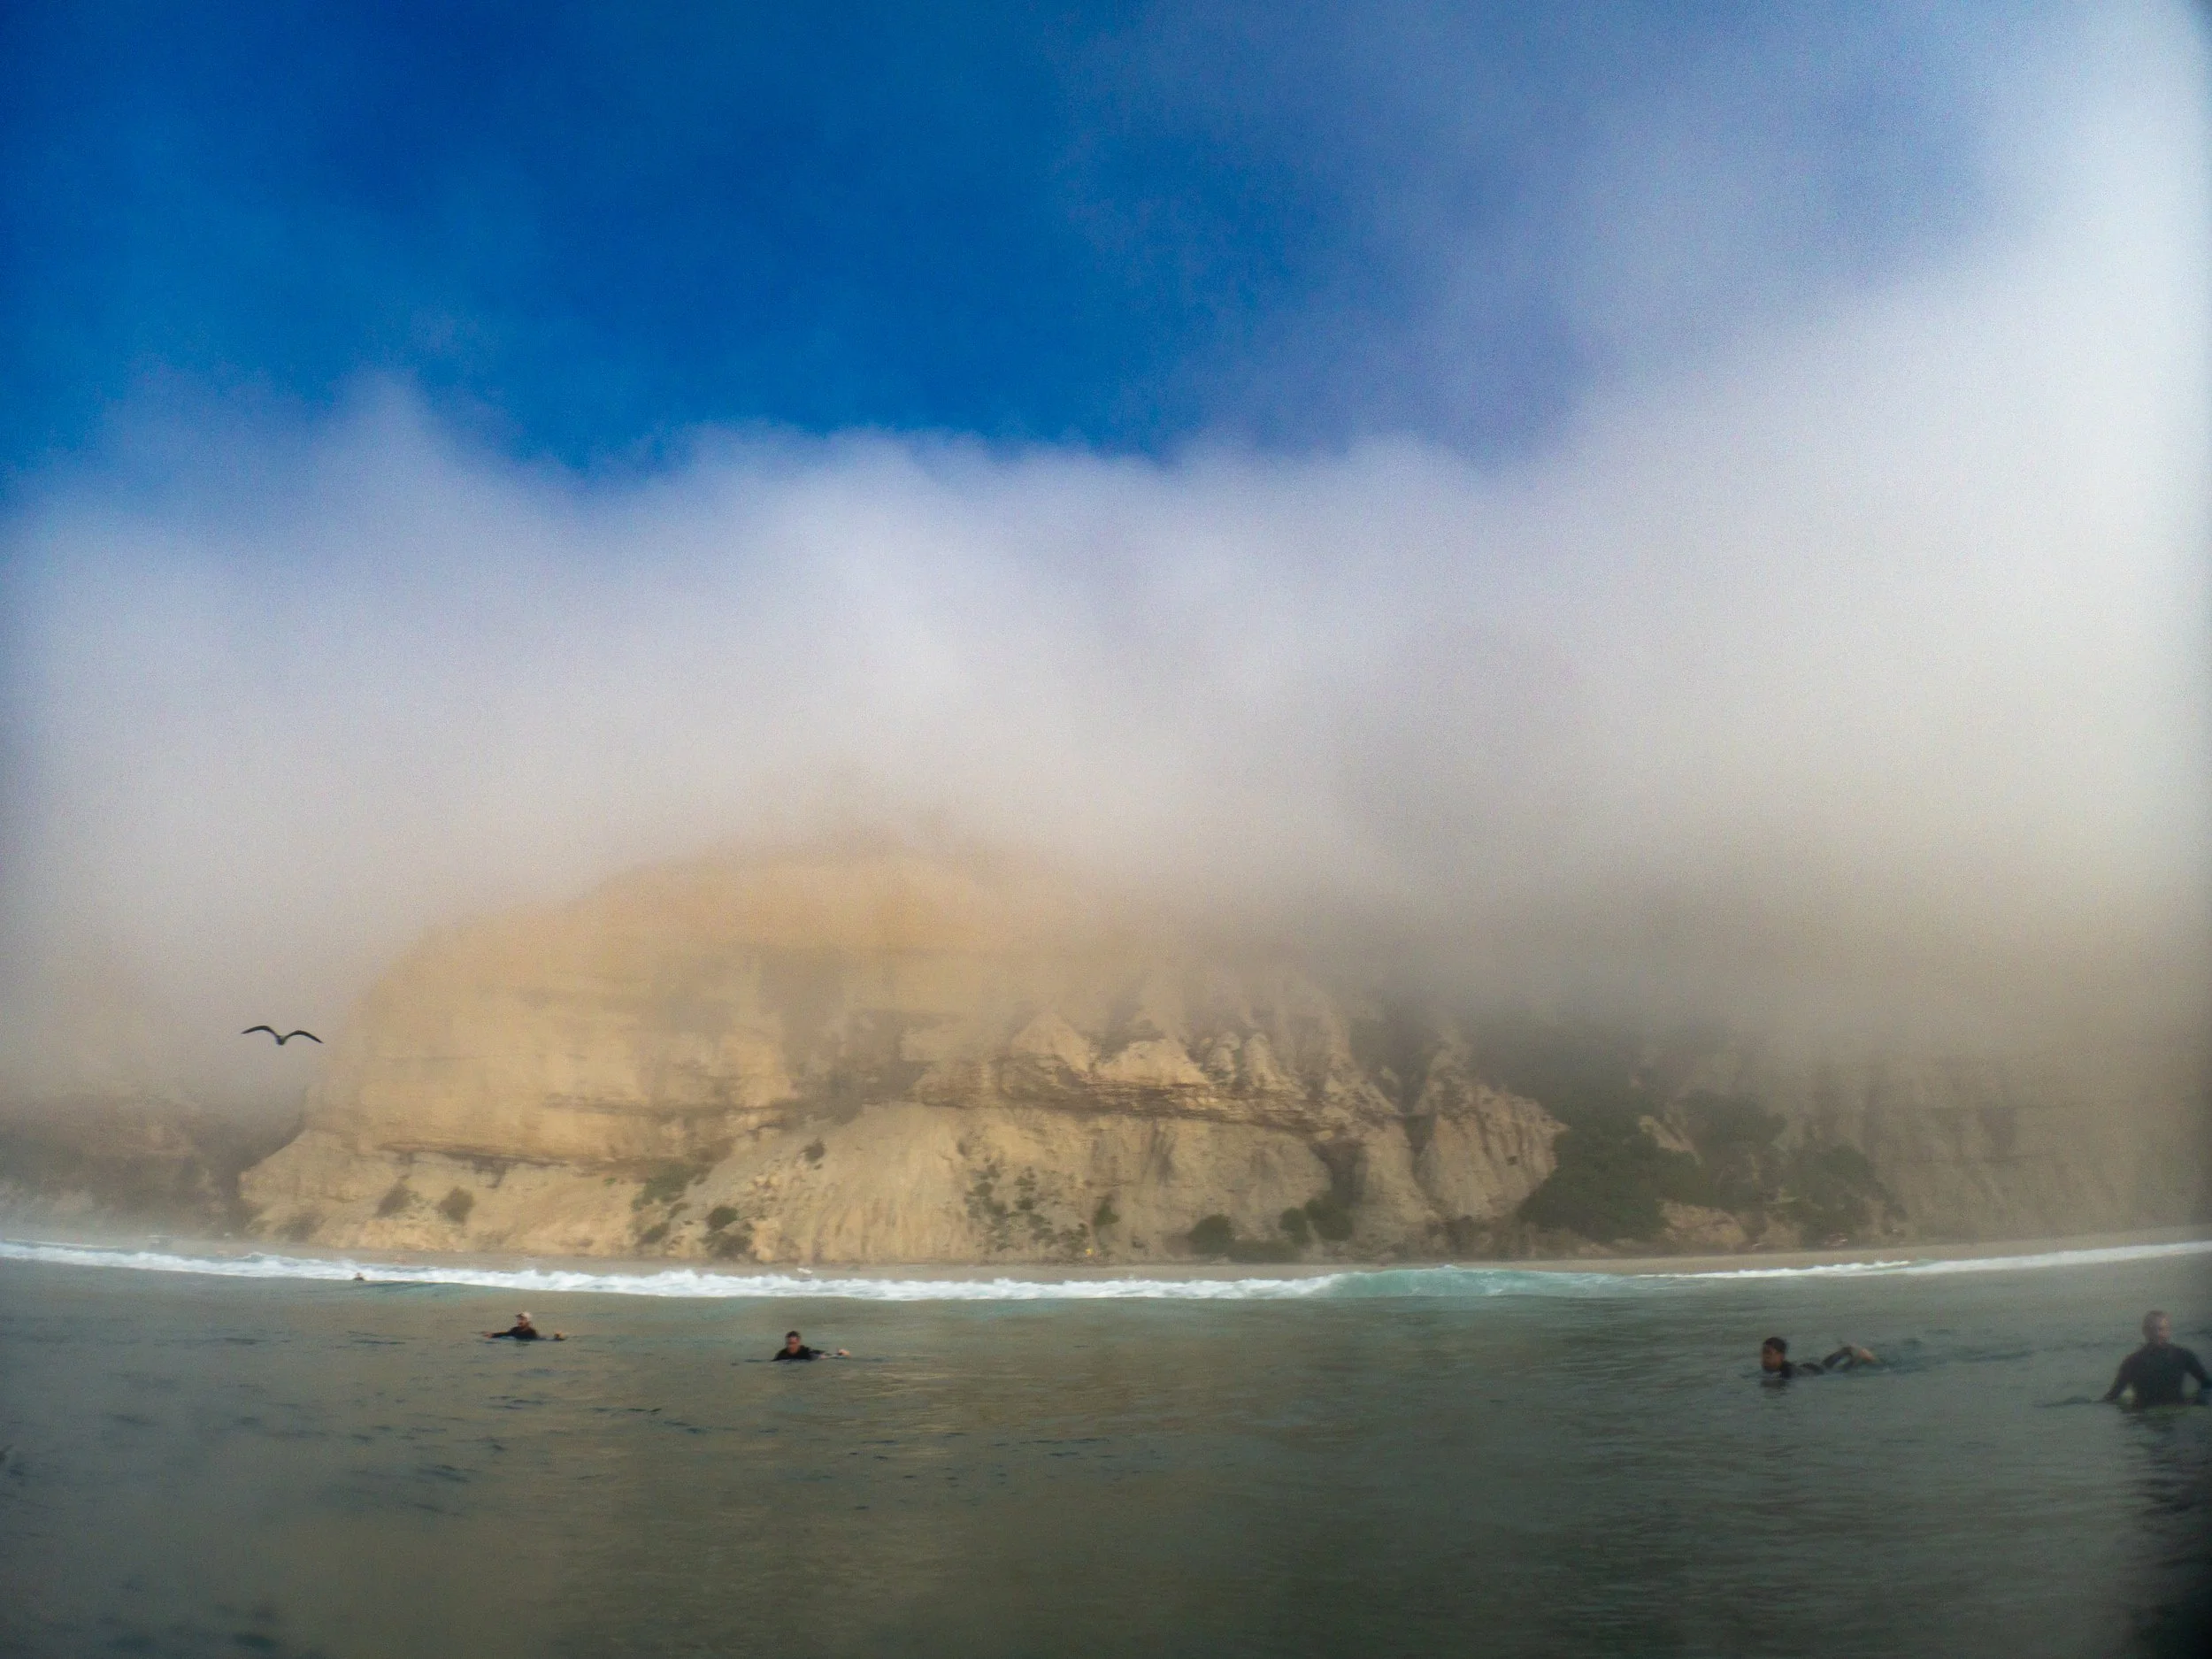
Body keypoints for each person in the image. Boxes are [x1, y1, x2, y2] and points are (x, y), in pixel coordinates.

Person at [2102, 1310, 2208, 1407]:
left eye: (2161, 1329)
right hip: (2143, 1416)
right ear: (2144, 1331)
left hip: (2176, 1409)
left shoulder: (2183, 1356)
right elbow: (2113, 1395)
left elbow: (2207, 1384)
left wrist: (2198, 1400)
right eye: (2152, 1329)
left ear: (2168, 1331)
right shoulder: (2132, 1362)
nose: (2157, 1334)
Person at [1759, 1336, 1878, 1379]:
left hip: (1815, 1372)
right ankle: (1846, 1350)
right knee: (1825, 1364)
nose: (1764, 1357)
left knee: (1840, 1371)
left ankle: (1862, 1359)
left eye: (1769, 1353)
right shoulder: (1776, 1369)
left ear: (1781, 1356)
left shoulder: (1787, 1373)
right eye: (1763, 1353)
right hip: (1808, 1366)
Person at [485, 1311, 565, 1341]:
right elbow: (505, 1334)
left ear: (528, 1322)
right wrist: (493, 1335)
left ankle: (557, 1337)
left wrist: (555, 1340)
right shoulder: (515, 1329)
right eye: (519, 1319)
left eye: (522, 1319)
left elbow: (539, 1340)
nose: (520, 1321)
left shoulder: (531, 1332)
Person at [772, 1330, 848, 1361]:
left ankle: (841, 1352)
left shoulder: (806, 1352)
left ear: (798, 1342)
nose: (790, 1346)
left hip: (816, 1354)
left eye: (793, 1344)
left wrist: (838, 1355)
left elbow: (823, 1357)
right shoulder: (781, 1354)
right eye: (788, 1343)